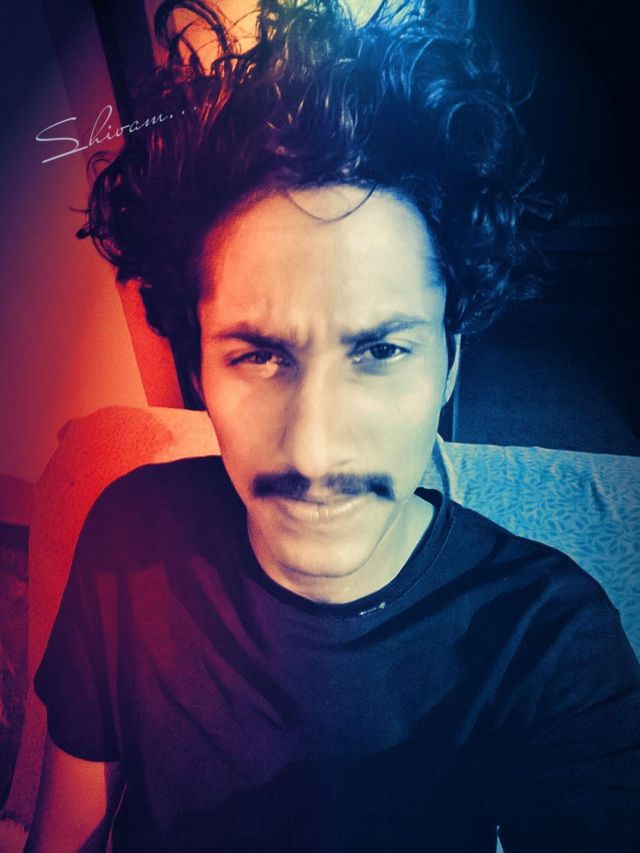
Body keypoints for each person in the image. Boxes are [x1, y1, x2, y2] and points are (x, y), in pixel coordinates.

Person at [27, 1, 640, 850]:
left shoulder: (548, 642)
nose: (314, 450)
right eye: (258, 354)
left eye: (380, 350)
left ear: (449, 362)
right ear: (197, 368)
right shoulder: (130, 538)